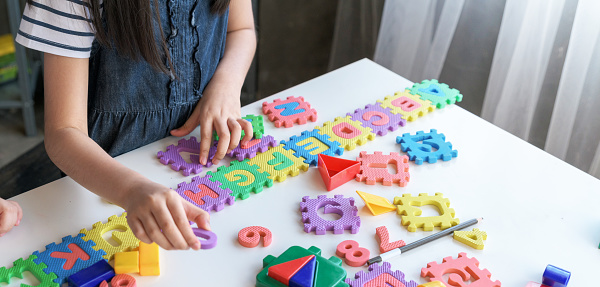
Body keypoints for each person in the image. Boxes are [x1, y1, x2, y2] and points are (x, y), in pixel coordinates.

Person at [9, 0, 256, 250]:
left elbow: (242, 30)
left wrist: (226, 84)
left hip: (204, 167)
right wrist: (131, 190)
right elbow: (63, 132)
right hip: (106, 185)